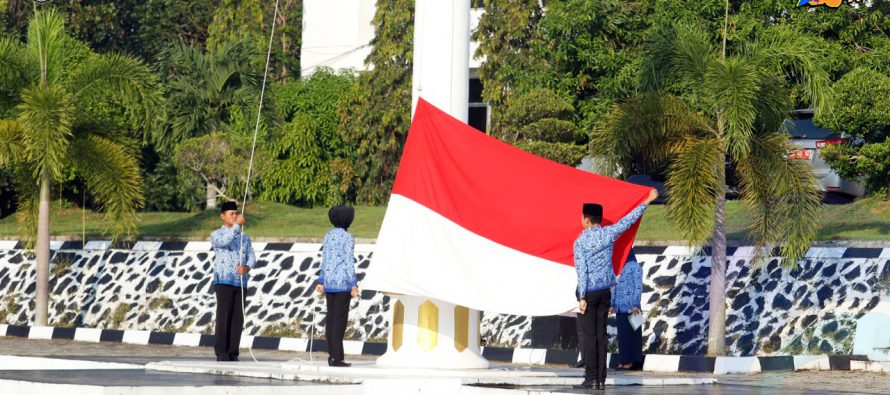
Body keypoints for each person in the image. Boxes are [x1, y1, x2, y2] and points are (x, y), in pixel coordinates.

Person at [574, 189, 657, 390]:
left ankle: (591, 377)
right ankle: (601, 380)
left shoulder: (580, 241)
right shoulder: (609, 234)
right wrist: (647, 201)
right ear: (599, 219)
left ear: (586, 219)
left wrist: (582, 296)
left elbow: (581, 271)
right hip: (605, 292)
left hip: (590, 292)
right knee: (601, 335)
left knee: (589, 336)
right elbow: (628, 220)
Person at [210, 201, 256, 362]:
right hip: (223, 281)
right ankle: (221, 352)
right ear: (223, 216)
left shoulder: (245, 237)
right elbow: (225, 242)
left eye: (236, 214)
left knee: (238, 317)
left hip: (240, 282)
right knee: (224, 316)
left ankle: (232, 352)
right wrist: (237, 227)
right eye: (231, 214)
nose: (235, 216)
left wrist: (247, 267)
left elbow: (252, 256)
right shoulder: (216, 234)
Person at [315, 205, 359, 367]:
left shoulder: (328, 235)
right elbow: (349, 262)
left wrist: (321, 281)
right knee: (339, 321)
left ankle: (333, 355)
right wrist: (353, 284)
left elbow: (325, 260)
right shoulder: (348, 237)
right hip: (343, 284)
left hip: (329, 284)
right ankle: (336, 357)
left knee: (331, 319)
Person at [610, 250, 644, 370]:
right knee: (623, 336)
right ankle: (623, 360)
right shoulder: (619, 268)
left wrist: (635, 304)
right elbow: (615, 286)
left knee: (632, 335)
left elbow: (638, 286)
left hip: (631, 308)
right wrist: (612, 304)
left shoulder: (635, 267)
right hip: (620, 308)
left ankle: (631, 361)